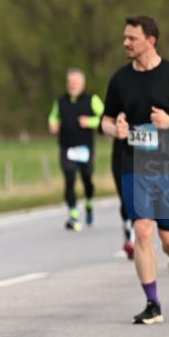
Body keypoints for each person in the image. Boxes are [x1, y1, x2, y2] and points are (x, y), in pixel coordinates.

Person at [101, 15, 169, 325]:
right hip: (132, 162)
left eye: (132, 38)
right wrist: (114, 129)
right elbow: (105, 120)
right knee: (142, 229)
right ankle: (152, 303)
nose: (125, 43)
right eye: (125, 37)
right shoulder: (119, 80)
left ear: (151, 40)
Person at [48, 68, 104, 231]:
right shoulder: (60, 101)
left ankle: (89, 203)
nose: (73, 85)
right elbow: (53, 116)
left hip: (85, 147)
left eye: (76, 82)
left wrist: (91, 121)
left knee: (87, 178)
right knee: (69, 179)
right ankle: (73, 214)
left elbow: (105, 116)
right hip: (66, 147)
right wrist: (52, 123)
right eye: (70, 82)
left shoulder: (92, 99)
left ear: (83, 84)